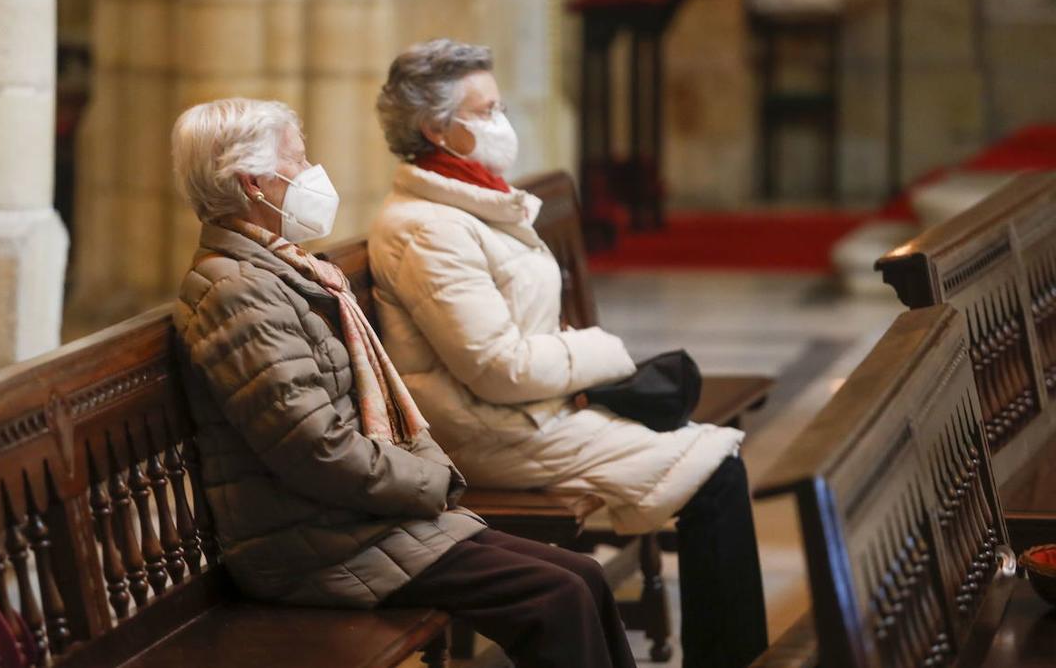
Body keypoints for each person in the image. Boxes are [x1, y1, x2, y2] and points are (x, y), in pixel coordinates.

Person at [170, 97, 636, 668]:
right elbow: (315, 449)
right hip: (308, 545)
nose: (312, 173)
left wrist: (427, 478)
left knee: (583, 574)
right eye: (298, 161)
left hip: (354, 522)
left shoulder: (279, 269)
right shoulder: (235, 294)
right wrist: (427, 482)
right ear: (253, 181)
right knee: (555, 595)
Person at [368, 39, 769, 668]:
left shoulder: (469, 199)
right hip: (492, 431)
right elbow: (499, 368)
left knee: (715, 461)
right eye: (487, 110)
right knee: (716, 470)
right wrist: (601, 351)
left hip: (538, 411)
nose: (503, 123)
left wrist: (573, 363)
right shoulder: (426, 228)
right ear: (435, 129)